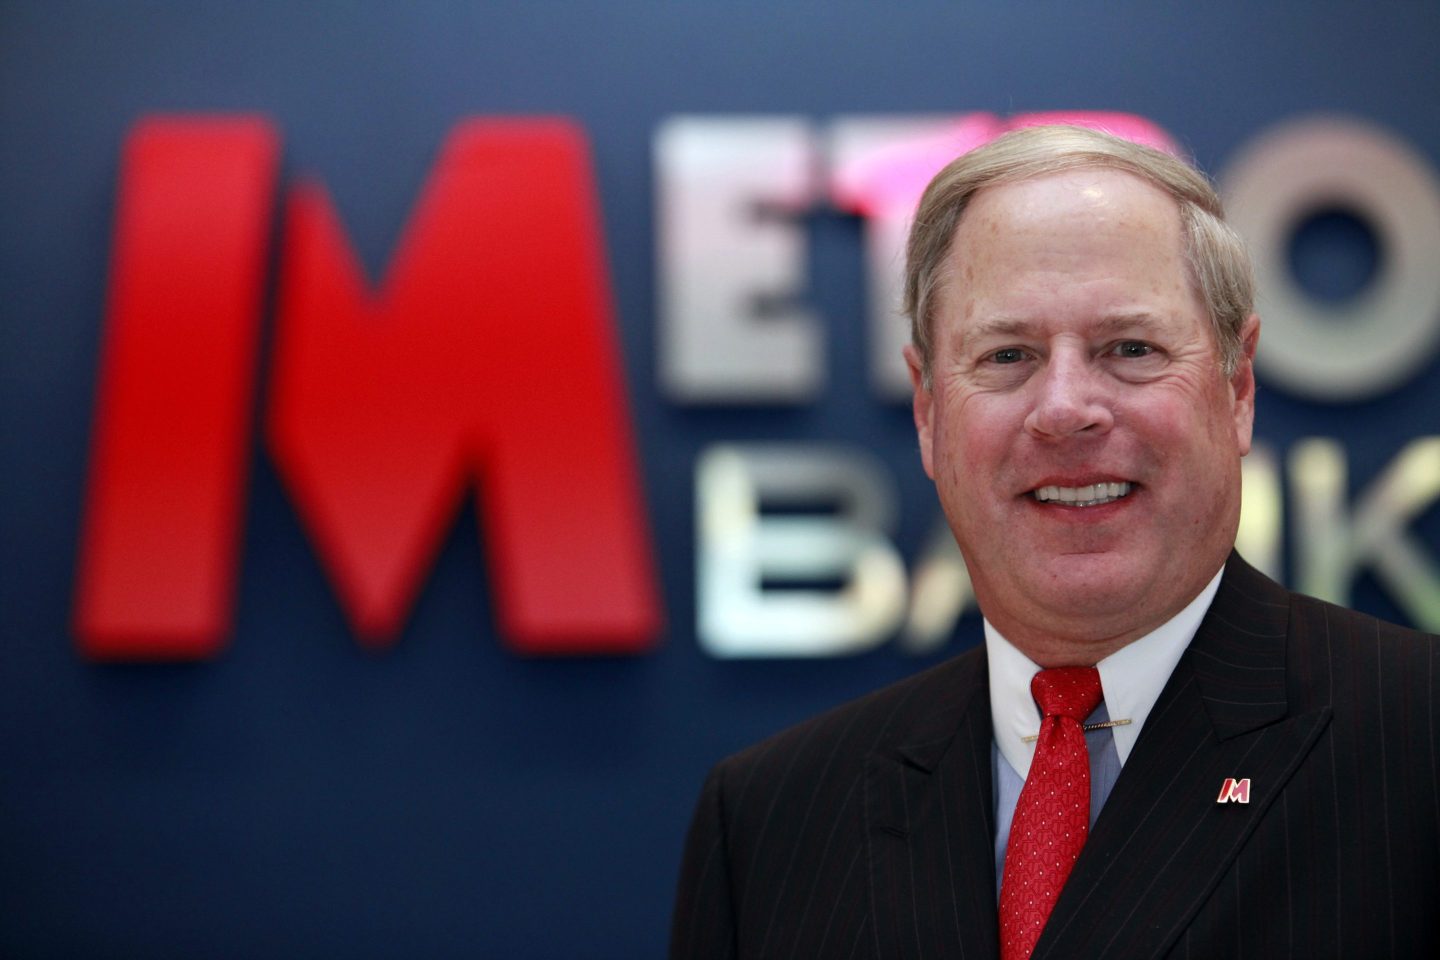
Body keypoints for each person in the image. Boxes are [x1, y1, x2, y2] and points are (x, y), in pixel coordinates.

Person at [670, 125, 1439, 959]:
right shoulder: (770, 820)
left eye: (1130, 349)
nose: (1066, 408)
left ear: (1238, 386)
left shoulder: (1418, 744)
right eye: (1007, 355)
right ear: (929, 412)